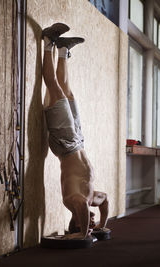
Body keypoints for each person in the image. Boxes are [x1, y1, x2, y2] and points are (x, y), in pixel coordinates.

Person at [42, 23, 109, 240]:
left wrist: (82, 234)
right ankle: (63, 50)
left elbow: (81, 205)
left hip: (64, 144)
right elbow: (105, 199)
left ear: (75, 221)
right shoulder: (93, 199)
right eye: (91, 221)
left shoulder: (73, 201)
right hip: (78, 141)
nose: (91, 220)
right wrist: (101, 225)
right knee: (68, 93)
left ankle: (48, 43)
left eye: (87, 222)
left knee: (55, 88)